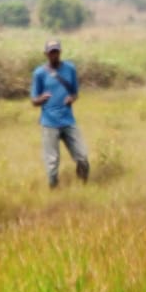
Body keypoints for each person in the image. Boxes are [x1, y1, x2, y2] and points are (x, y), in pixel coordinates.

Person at [31, 39, 89, 188]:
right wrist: (41, 99)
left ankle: (83, 186)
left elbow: (75, 93)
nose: (54, 55)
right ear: (46, 54)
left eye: (56, 51)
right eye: (51, 52)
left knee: (82, 157)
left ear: (60, 52)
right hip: (49, 123)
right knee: (52, 162)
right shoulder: (39, 73)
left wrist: (72, 98)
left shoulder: (70, 69)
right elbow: (33, 100)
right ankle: (53, 189)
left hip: (68, 121)